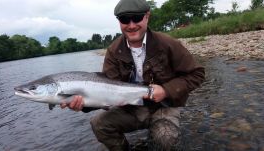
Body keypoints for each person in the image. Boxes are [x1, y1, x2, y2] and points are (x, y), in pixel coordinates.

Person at [61, 0, 205, 150]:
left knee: (165, 138)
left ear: (147, 16)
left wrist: (166, 91)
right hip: (132, 108)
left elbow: (197, 74)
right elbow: (106, 92)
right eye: (124, 19)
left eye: (136, 18)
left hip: (165, 107)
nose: (131, 25)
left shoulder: (167, 44)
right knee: (99, 124)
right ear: (119, 21)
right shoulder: (114, 51)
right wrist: (83, 103)